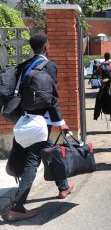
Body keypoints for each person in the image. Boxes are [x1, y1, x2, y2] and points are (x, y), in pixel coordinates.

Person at [6, 34, 74, 222]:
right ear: (45, 47)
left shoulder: (25, 66)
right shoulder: (48, 66)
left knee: (50, 151)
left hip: (24, 120)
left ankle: (63, 187)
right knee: (33, 161)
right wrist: (60, 122)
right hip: (39, 123)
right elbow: (52, 97)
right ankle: (17, 208)